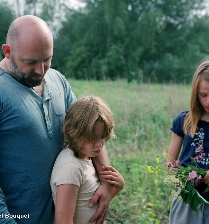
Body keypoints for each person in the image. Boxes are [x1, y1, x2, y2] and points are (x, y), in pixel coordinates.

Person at [0, 15, 114, 224]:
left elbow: (88, 130)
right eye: (31, 62)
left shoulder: (58, 80)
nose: (41, 70)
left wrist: (106, 183)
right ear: (7, 51)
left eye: (47, 60)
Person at [167, 60, 209, 224]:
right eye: (203, 95)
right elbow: (170, 165)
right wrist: (184, 177)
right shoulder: (184, 121)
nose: (208, 102)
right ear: (195, 92)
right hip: (186, 204)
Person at [51, 95, 125, 224]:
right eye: (92, 138)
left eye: (103, 137)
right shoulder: (70, 167)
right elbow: (63, 221)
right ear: (73, 131)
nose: (99, 144)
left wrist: (118, 186)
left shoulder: (88, 158)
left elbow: (92, 204)